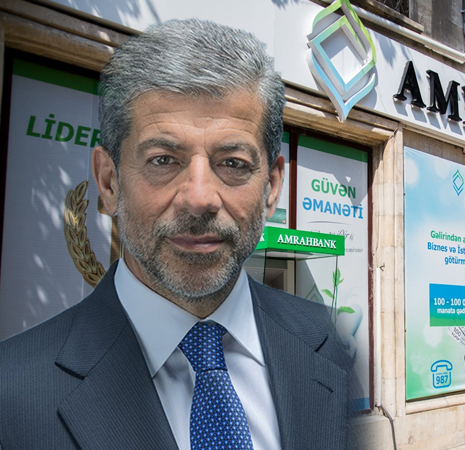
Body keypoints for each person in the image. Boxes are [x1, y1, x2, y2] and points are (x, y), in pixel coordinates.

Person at [0, 19, 356, 450]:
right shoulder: (12, 393)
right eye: (163, 160)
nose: (199, 198)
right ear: (109, 182)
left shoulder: (327, 341)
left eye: (233, 163)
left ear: (272, 187)